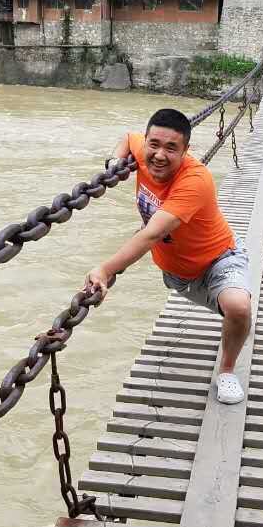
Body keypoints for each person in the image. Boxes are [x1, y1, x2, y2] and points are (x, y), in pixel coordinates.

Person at [85, 109, 251, 405]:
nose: (159, 155)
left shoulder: (195, 180)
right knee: (234, 314)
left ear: (186, 151)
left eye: (171, 148)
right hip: (178, 275)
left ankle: (226, 371)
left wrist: (104, 270)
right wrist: (115, 163)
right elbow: (127, 137)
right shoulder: (143, 149)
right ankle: (238, 318)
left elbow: (150, 235)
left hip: (219, 258)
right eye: (154, 144)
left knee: (237, 307)